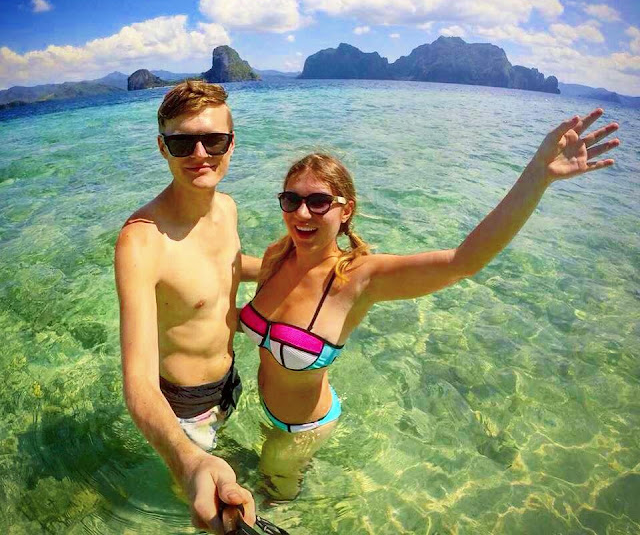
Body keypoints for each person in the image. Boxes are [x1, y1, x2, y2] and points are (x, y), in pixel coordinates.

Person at [239, 108, 620, 500]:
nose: (302, 213)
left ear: (346, 209)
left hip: (303, 431)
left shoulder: (360, 278)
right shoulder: (276, 255)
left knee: (272, 503)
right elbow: (223, 274)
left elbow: (464, 261)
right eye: (291, 199)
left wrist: (537, 177)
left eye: (319, 201)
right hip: (263, 410)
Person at [115, 81, 259, 532]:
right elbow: (138, 385)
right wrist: (187, 459)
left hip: (229, 382)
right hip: (182, 411)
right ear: (163, 148)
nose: (200, 153)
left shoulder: (228, 208)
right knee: (211, 512)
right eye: (182, 142)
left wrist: (298, 263)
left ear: (232, 144)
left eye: (213, 139)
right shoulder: (141, 240)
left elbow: (227, 266)